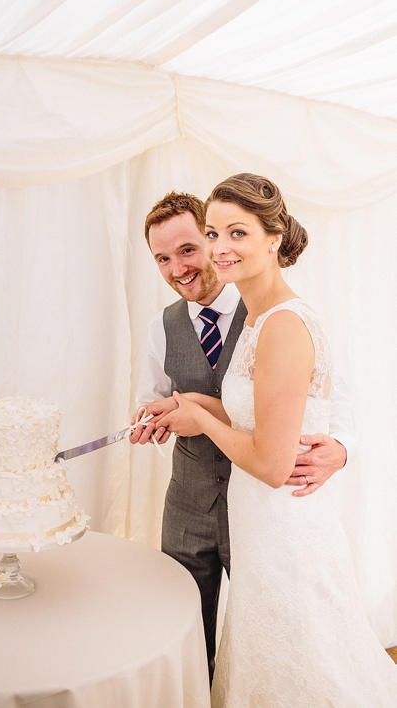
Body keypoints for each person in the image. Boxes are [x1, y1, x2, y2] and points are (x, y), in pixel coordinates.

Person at [153, 173, 397, 704]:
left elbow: (271, 460)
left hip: (284, 524)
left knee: (307, 661)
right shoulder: (258, 315)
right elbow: (253, 411)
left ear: (274, 237)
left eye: (234, 234)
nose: (219, 249)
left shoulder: (282, 323)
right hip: (247, 520)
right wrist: (186, 403)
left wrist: (343, 446)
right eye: (214, 234)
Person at [130, 190, 355, 681]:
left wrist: (341, 449)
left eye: (189, 248)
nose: (178, 268)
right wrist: (157, 417)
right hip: (189, 506)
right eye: (162, 258)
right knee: (188, 633)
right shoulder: (161, 327)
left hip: (262, 509)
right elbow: (157, 395)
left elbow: (332, 395)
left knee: (272, 636)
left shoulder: (270, 312)